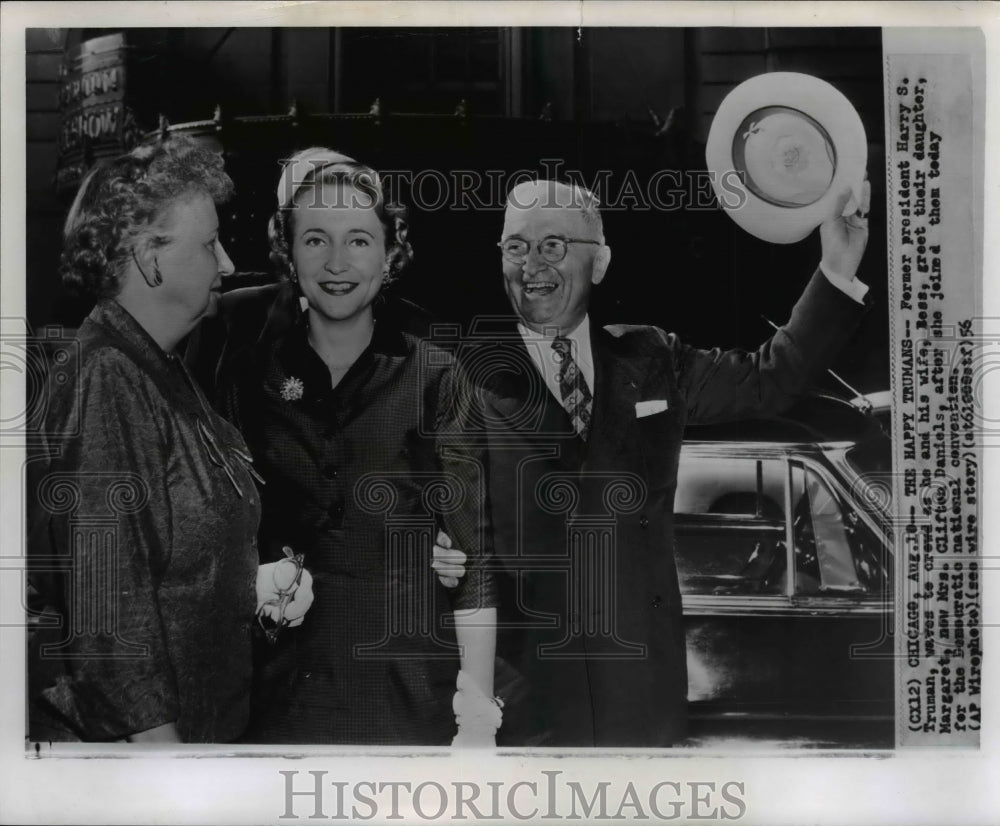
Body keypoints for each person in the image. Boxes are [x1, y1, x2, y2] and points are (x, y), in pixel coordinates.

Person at [435, 177, 871, 747]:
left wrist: (836, 265)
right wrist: (477, 703)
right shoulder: (464, 378)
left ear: (600, 262)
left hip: (641, 697)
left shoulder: (652, 355)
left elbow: (771, 380)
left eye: (553, 245)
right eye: (516, 246)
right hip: (527, 708)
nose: (532, 265)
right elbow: (458, 550)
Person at [187, 148, 500, 745]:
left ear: (391, 254)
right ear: (288, 253)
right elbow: (216, 532)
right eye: (315, 241)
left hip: (407, 694)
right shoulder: (245, 376)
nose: (336, 262)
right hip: (272, 694)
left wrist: (477, 715)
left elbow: (473, 560)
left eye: (358, 240)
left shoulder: (437, 376)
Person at [27, 135, 311, 744]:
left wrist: (247, 587)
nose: (229, 264)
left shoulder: (162, 369)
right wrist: (165, 770)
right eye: (210, 244)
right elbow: (109, 612)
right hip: (150, 758)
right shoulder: (107, 378)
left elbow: (174, 556)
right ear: (150, 257)